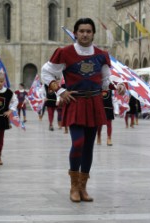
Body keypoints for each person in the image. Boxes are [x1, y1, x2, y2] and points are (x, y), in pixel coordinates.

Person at [41, 18, 125, 203]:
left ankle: (83, 187)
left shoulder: (101, 55)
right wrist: (60, 90)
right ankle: (73, 186)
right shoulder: (64, 52)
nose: (85, 34)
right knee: (78, 142)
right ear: (76, 33)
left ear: (93, 33)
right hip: (75, 102)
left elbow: (104, 81)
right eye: (81, 31)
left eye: (88, 31)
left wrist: (117, 86)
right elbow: (46, 72)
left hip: (94, 102)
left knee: (88, 146)